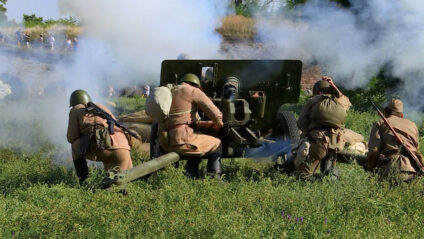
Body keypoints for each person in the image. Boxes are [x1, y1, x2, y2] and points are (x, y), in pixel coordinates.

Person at [158, 73, 223, 177]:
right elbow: (215, 113)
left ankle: (191, 173)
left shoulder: (170, 91)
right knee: (216, 143)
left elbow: (180, 117)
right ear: (196, 84)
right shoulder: (192, 90)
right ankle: (214, 178)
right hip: (182, 141)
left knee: (198, 141)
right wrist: (218, 123)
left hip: (164, 141)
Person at [67, 89, 133, 184]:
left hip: (103, 148)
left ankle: (84, 180)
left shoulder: (75, 110)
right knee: (123, 180)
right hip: (124, 148)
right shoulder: (100, 107)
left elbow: (71, 137)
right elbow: (116, 123)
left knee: (75, 146)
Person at [295, 76, 351, 180]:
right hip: (336, 144)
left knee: (303, 177)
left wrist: (308, 132)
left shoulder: (313, 101)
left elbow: (301, 123)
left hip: (318, 142)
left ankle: (319, 182)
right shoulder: (342, 102)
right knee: (328, 173)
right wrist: (333, 85)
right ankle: (330, 179)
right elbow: (343, 97)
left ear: (318, 92)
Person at [366, 98, 424, 182]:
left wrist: (370, 166)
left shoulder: (380, 123)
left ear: (385, 112)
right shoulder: (413, 125)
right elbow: (416, 151)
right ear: (401, 115)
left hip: (390, 168)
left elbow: (373, 151)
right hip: (412, 171)